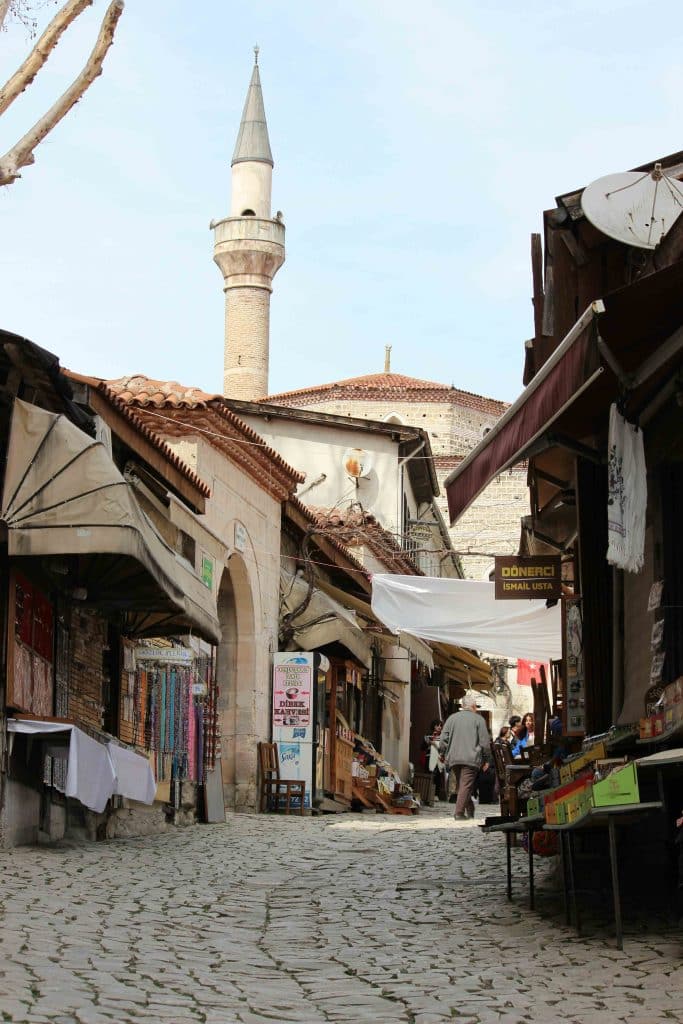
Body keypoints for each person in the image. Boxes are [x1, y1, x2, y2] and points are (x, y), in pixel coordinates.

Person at [438, 694, 492, 820]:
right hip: (471, 758)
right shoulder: (479, 720)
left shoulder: (452, 718)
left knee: (463, 785)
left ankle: (470, 809)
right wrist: (487, 759)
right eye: (476, 707)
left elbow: (443, 739)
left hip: (454, 758)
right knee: (465, 785)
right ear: (473, 706)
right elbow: (485, 742)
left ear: (462, 706)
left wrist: (442, 753)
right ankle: (459, 813)